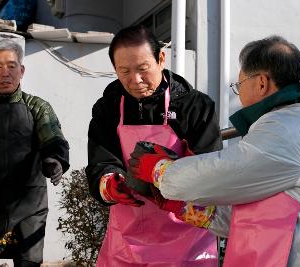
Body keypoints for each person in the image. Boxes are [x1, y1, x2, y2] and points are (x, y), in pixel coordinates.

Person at [129, 35, 300, 267]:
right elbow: (249, 218)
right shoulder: (294, 120)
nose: (238, 94)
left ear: (261, 83)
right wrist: (182, 206)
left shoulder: (289, 128)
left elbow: (228, 170)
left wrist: (161, 170)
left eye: (239, 85)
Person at [85, 24, 222, 266]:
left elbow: (209, 168)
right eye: (124, 71)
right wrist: (110, 183)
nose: (135, 80)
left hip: (187, 237)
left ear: (161, 59)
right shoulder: (107, 108)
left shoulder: (194, 106)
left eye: (142, 69)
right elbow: (101, 160)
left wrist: (168, 175)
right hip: (127, 240)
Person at [0, 39, 70, 267]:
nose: (5, 73)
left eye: (11, 66)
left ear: (21, 71)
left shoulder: (39, 107)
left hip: (30, 203)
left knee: (29, 261)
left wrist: (54, 160)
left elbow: (53, 138)